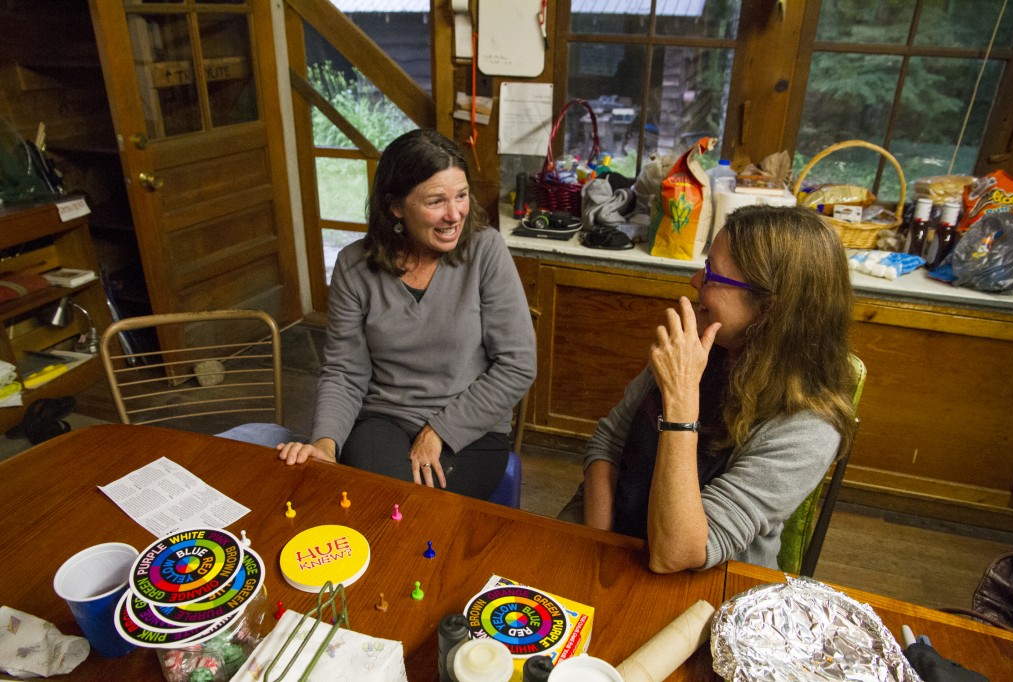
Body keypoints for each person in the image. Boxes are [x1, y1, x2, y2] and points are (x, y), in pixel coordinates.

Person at [558, 204, 856, 572]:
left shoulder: (808, 426)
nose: (695, 281)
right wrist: (599, 546)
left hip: (711, 584)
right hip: (612, 543)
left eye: (713, 274)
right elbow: (608, 443)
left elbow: (678, 553)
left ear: (769, 310)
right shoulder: (704, 347)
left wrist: (681, 402)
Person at [275, 129, 536, 500]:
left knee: (425, 512)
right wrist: (325, 445)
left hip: (471, 427)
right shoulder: (354, 266)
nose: (454, 214)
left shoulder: (486, 250)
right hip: (383, 419)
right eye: (436, 201)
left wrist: (440, 430)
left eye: (461, 196)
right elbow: (344, 372)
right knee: (372, 504)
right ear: (396, 206)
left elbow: (518, 365)